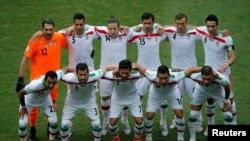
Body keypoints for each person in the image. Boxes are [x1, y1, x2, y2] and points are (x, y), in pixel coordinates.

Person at [16, 18, 67, 141]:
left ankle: (51, 129)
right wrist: (20, 78)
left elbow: (71, 33)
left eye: (51, 30)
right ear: (42, 29)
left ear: (54, 29)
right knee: (33, 109)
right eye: (46, 30)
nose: (48, 32)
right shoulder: (35, 40)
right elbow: (25, 59)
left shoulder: (59, 37)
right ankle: (32, 130)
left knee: (52, 103)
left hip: (53, 80)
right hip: (37, 81)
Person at [133, 63, 202, 141]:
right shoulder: (151, 74)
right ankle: (148, 137)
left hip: (172, 93)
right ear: (157, 75)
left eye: (165, 78)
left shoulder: (176, 76)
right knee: (149, 116)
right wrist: (119, 68)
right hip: (155, 94)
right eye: (161, 78)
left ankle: (180, 138)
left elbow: (191, 69)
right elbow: (138, 66)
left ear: (169, 75)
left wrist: (208, 70)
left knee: (179, 114)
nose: (163, 81)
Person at [195, 14, 237, 136]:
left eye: (213, 26)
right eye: (208, 26)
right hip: (208, 73)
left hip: (224, 74)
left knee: (229, 100)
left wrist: (225, 66)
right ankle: (210, 125)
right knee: (209, 99)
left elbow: (233, 56)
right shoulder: (203, 31)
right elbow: (188, 26)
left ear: (217, 26)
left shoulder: (226, 38)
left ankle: (233, 125)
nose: (210, 29)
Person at [128, 12, 168, 136]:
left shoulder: (159, 33)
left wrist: (159, 26)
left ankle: (163, 122)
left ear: (153, 22)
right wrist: (136, 27)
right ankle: (138, 124)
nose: (147, 25)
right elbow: (124, 36)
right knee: (138, 97)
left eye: (149, 23)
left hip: (157, 71)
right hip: (142, 71)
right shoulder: (136, 34)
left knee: (163, 99)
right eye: (144, 23)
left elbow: (174, 31)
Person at [163, 13, 203, 132]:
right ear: (175, 23)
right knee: (177, 97)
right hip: (176, 72)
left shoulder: (194, 33)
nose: (180, 26)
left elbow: (208, 32)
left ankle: (198, 122)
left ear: (187, 23)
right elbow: (157, 28)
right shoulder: (170, 31)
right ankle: (177, 119)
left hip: (192, 73)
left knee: (194, 98)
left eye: (183, 24)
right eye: (178, 24)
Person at [94, 17, 134, 136]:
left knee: (124, 95)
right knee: (105, 97)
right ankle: (106, 121)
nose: (112, 31)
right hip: (106, 73)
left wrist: (157, 25)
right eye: (110, 29)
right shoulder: (101, 31)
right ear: (107, 28)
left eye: (114, 29)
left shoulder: (126, 32)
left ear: (119, 27)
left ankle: (125, 120)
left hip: (122, 72)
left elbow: (142, 27)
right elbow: (84, 27)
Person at [59, 63, 117, 141]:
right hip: (72, 102)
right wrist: (66, 69)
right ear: (76, 73)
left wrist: (119, 68)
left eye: (84, 74)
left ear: (88, 73)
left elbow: (106, 68)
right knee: (65, 124)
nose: (83, 77)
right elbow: (57, 74)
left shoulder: (94, 75)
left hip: (89, 101)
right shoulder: (70, 78)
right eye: (80, 75)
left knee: (96, 124)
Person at [18, 66, 73, 141]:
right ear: (45, 80)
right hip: (29, 101)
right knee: (22, 124)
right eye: (49, 82)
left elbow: (66, 68)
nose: (51, 85)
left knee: (54, 122)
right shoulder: (35, 85)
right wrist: (23, 108)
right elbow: (21, 93)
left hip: (45, 99)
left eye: (53, 83)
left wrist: (77, 73)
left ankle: (51, 139)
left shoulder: (57, 75)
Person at [102, 59, 144, 141]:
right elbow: (105, 68)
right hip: (117, 99)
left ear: (131, 70)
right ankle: (116, 138)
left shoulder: (137, 74)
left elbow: (146, 71)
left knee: (139, 121)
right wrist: (116, 68)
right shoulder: (112, 75)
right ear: (119, 70)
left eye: (127, 73)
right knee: (112, 123)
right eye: (122, 72)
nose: (124, 75)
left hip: (133, 98)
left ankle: (137, 139)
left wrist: (136, 66)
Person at [187, 66, 233, 141]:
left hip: (217, 91)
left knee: (227, 114)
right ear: (201, 75)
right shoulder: (196, 76)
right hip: (200, 91)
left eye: (208, 79)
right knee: (193, 114)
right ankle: (192, 138)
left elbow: (227, 86)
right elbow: (187, 71)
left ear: (213, 75)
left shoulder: (220, 78)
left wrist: (226, 100)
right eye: (204, 78)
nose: (206, 81)